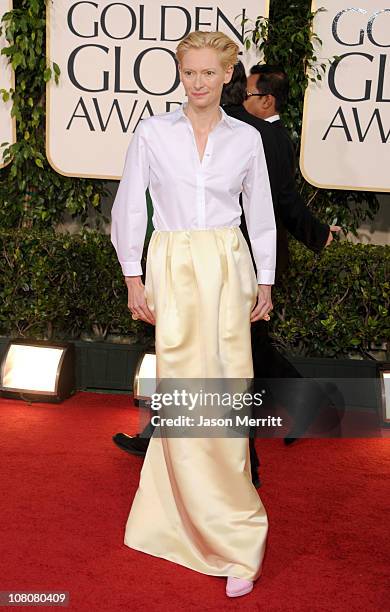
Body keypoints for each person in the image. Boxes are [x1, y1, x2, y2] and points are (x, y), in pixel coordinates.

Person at [110, 32, 276, 598]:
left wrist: (267, 281)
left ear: (228, 75)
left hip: (229, 267)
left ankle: (234, 535)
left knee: (227, 392)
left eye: (209, 72)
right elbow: (131, 204)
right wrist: (133, 277)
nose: (199, 83)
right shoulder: (153, 133)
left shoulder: (247, 140)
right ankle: (178, 517)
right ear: (180, 73)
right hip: (174, 267)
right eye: (189, 72)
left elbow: (262, 213)